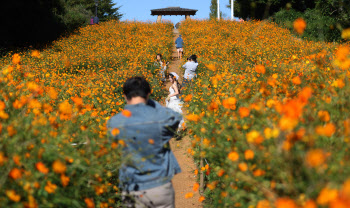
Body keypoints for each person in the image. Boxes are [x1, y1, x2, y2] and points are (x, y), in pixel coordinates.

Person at [107, 77, 182, 208]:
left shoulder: (114, 122)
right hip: (160, 187)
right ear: (148, 94)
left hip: (132, 187)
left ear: (124, 95)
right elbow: (176, 117)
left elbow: (113, 151)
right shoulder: (160, 117)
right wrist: (150, 104)